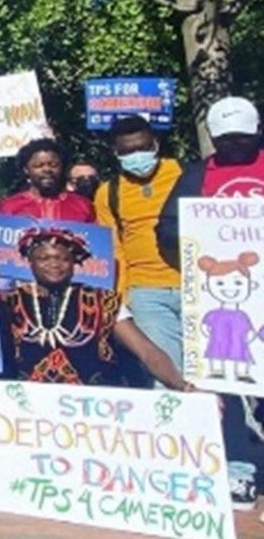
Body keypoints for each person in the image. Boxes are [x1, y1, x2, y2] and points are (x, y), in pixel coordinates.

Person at [155, 96, 264, 512]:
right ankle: (238, 468)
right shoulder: (198, 175)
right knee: (227, 384)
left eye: (242, 137)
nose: (234, 145)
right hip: (220, 295)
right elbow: (166, 227)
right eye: (225, 139)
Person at [0, 227, 190, 389]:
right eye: (44, 258)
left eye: (63, 258)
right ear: (29, 262)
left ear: (75, 263)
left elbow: (146, 351)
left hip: (92, 413)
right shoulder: (10, 303)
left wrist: (180, 385)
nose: (54, 264)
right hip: (27, 412)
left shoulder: (101, 300)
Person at [94, 115, 183, 387]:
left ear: (155, 144)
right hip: (146, 293)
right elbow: (114, 250)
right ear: (116, 153)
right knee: (168, 375)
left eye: (143, 147)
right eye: (128, 151)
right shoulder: (108, 193)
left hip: (198, 287)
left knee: (220, 373)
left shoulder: (185, 173)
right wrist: (120, 298)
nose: (137, 155)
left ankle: (236, 430)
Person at [0, 138, 95, 222]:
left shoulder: (83, 206)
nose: (47, 169)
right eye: (38, 165)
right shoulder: (9, 207)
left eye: (53, 165)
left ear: (62, 167)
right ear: (26, 170)